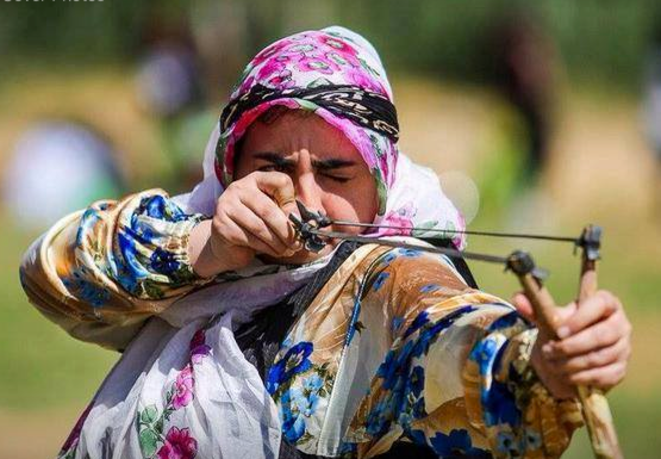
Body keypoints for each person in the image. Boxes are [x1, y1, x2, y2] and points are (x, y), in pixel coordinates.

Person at [19, 27, 631, 459]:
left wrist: (538, 362)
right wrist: (207, 248)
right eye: (275, 167)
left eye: (337, 175)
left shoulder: (394, 271)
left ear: (381, 180)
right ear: (231, 169)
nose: (307, 200)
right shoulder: (201, 229)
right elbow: (52, 270)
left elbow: (442, 329)